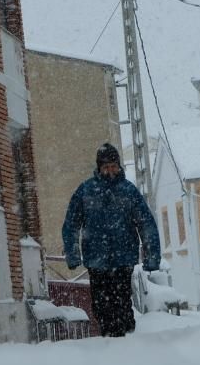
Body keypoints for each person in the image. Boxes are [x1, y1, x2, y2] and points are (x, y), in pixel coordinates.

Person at [62, 143, 161, 337]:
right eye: (106, 167)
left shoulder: (128, 191)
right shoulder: (86, 191)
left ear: (119, 166)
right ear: (99, 168)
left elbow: (146, 224)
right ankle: (111, 341)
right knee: (101, 306)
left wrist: (152, 257)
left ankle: (126, 337)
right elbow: (71, 224)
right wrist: (73, 255)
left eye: (113, 166)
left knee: (123, 302)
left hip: (123, 259)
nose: (110, 171)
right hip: (96, 261)